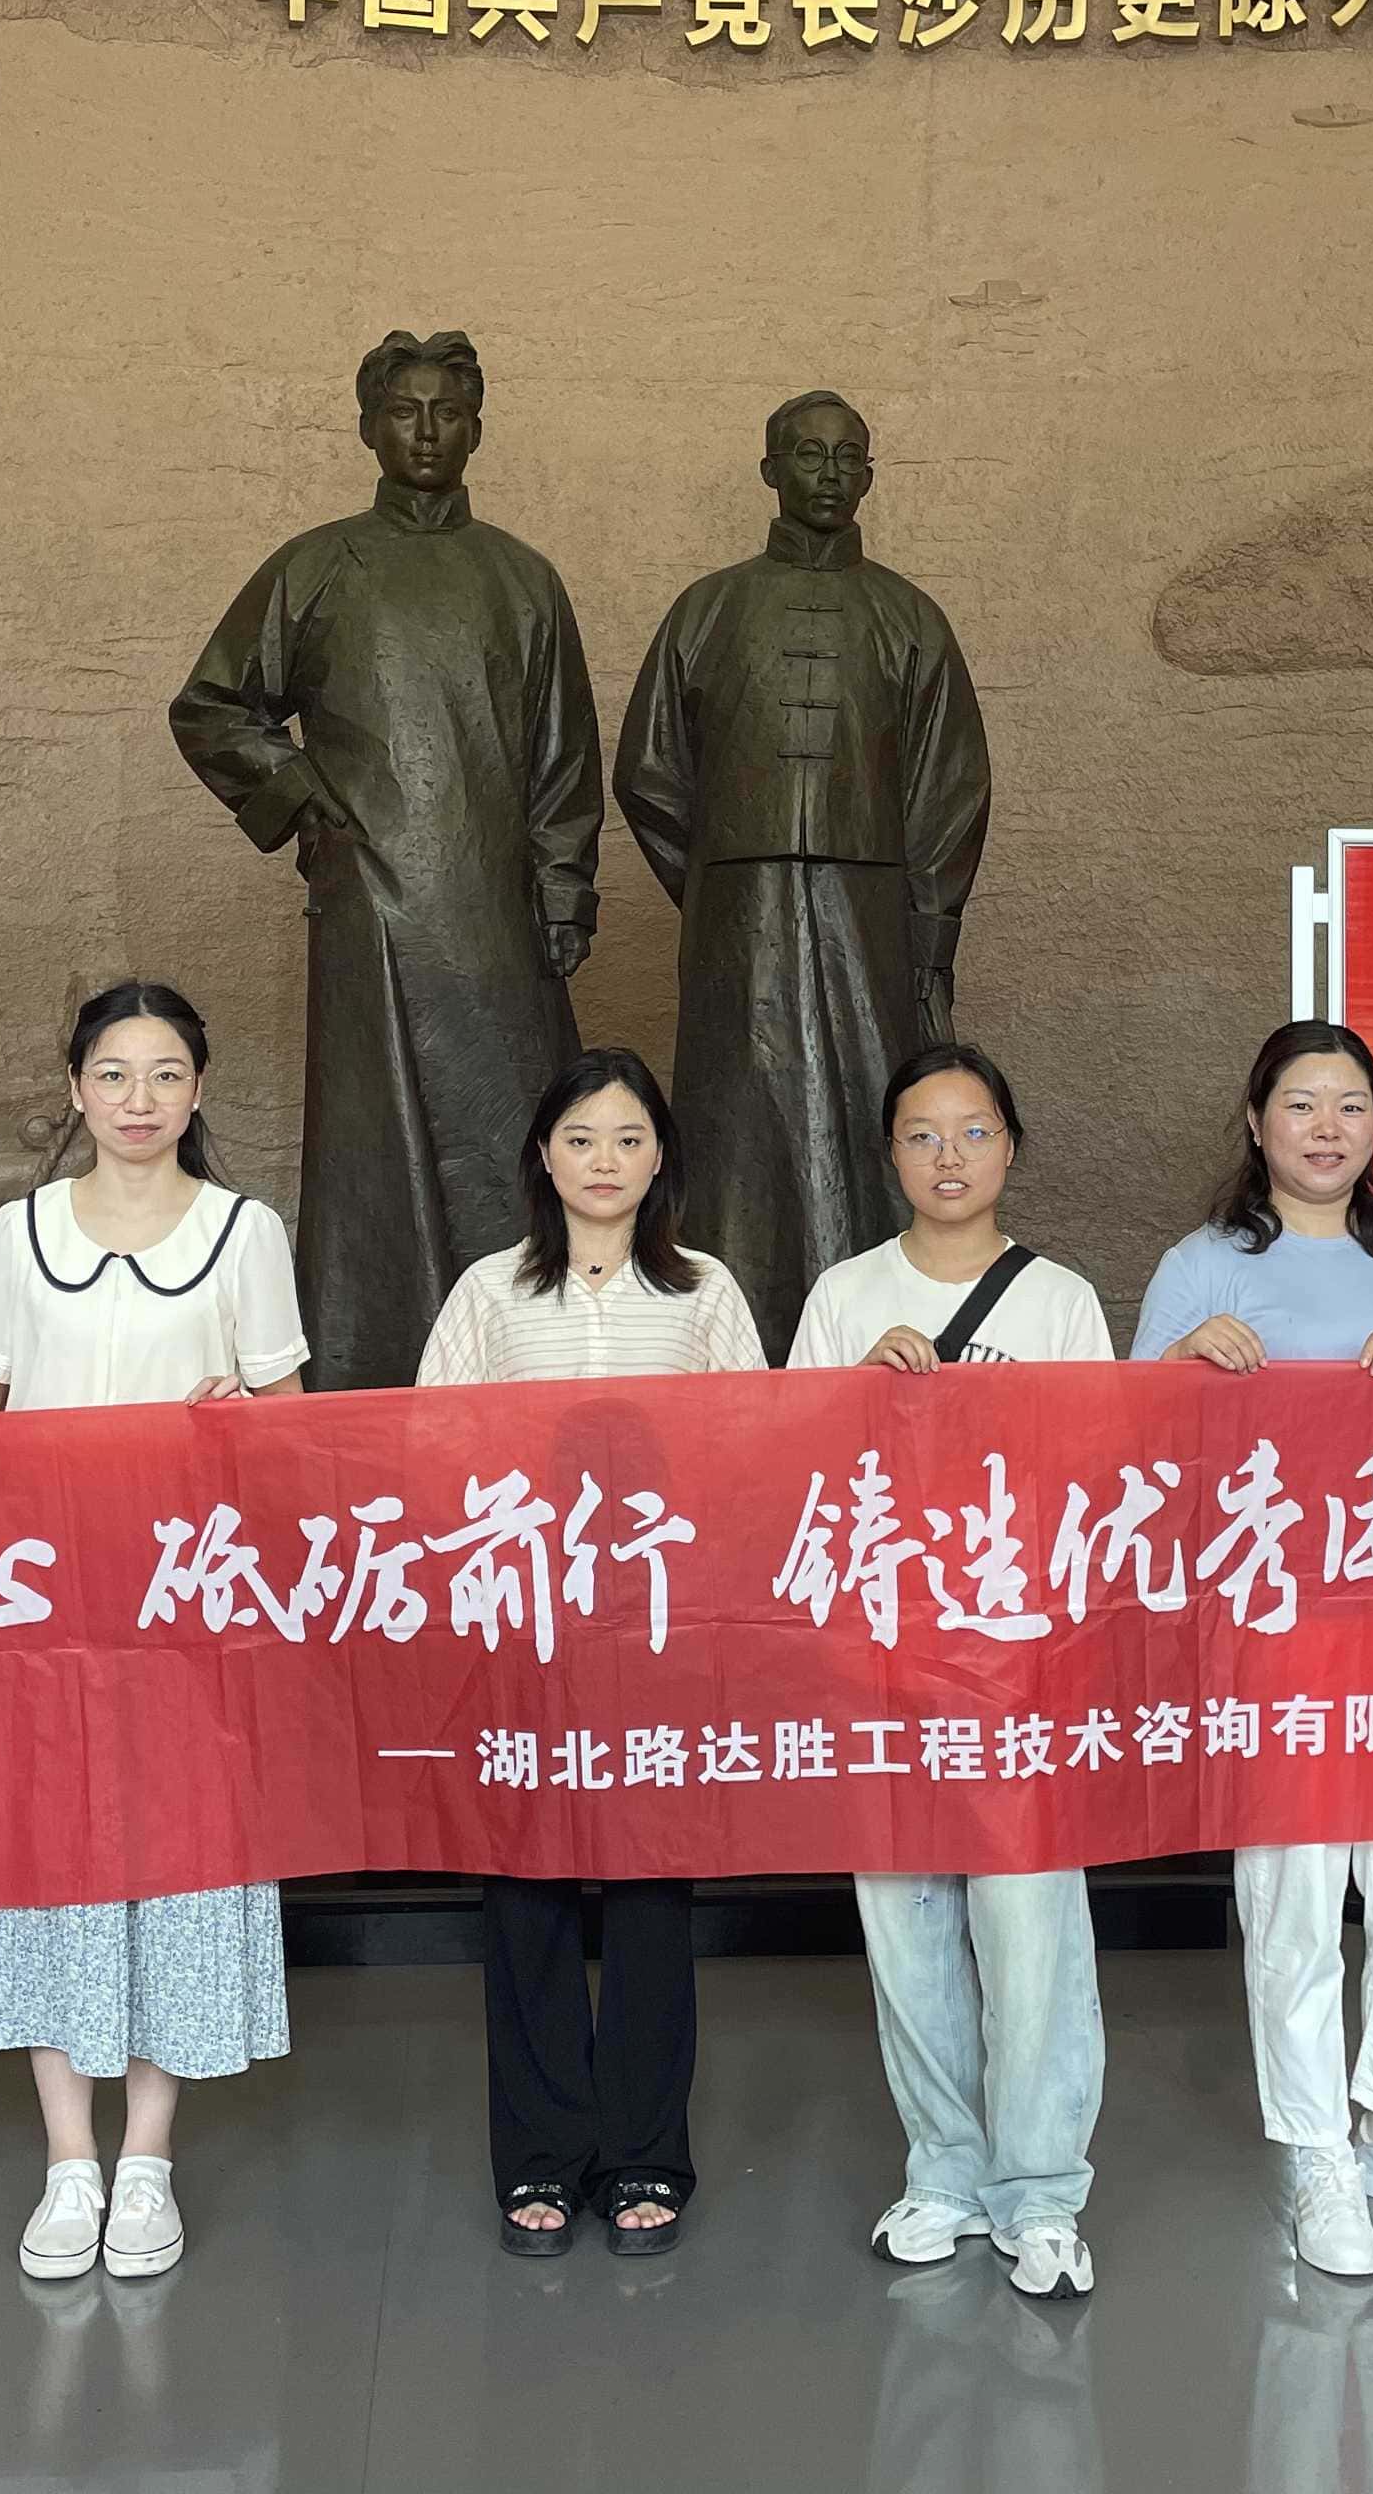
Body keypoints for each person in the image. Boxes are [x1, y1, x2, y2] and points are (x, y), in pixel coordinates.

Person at [0, 982, 304, 2284]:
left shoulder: (245, 1232)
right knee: (52, 1867)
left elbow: (296, 1420)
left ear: (198, 1089)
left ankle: (148, 2159)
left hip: (187, 1611)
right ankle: (70, 2158)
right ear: (76, 1089)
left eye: (165, 1073)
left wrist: (249, 1418)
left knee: (176, 1869)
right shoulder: (19, 1232)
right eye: (113, 1074)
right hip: (46, 1613)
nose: (138, 1099)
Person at [1131, 1021, 1373, 2280]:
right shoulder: (1202, 1263)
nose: (1327, 1128)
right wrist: (1184, 1362)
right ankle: (1315, 2150)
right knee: (1293, 1898)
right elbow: (1134, 1452)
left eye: (1351, 1105)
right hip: (1274, 1628)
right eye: (1302, 1104)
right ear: (1257, 1123)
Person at [170, 328, 605, 1391]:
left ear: (477, 429)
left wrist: (562, 893)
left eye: (448, 412)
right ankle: (371, 1365)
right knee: (377, 1151)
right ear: (369, 427)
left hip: (496, 918)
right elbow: (212, 705)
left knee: (513, 1133)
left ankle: (527, 1357)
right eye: (405, 412)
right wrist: (302, 795)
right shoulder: (319, 566)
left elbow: (564, 757)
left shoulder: (523, 580)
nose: (426, 432)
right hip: (367, 909)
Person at [418, 1048, 764, 2258]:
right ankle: (542, 2157)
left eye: (627, 1137)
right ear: (542, 1157)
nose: (604, 1160)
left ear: (660, 1156)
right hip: (525, 1635)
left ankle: (645, 2154)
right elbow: (434, 1449)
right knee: (527, 1894)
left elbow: (751, 1457)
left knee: (653, 1896)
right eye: (579, 1138)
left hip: (658, 1638)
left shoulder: (706, 1292)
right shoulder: (490, 1292)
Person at [789, 1042, 1114, 2301]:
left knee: (1031, 1934)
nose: (949, 1157)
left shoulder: (1062, 1301)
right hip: (884, 1661)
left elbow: (1101, 1482)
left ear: (1010, 1148)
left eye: (974, 1132)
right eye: (922, 1135)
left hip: (1019, 1668)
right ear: (890, 1155)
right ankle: (943, 2171)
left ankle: (1042, 2193)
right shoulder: (843, 1296)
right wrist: (858, 1399)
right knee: (907, 1925)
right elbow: (789, 1475)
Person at [615, 391, 991, 1362]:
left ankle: (875, 1340)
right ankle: (735, 1347)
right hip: (739, 923)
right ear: (770, 470)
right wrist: (718, 889)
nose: (829, 472)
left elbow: (949, 791)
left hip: (870, 922)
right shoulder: (708, 610)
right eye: (808, 454)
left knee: (871, 1116)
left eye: (847, 456)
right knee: (737, 1137)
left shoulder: (910, 618)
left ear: (868, 476)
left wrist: (924, 940)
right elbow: (649, 773)